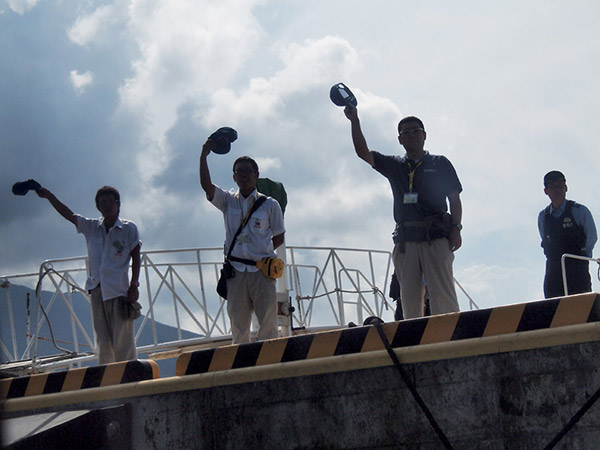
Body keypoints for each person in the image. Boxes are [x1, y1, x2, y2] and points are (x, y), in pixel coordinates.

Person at [344, 105, 462, 319]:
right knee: (409, 303)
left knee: (443, 298)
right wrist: (355, 121)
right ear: (400, 139)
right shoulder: (395, 165)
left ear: (424, 135)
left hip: (435, 238)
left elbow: (454, 198)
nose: (411, 136)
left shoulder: (440, 163)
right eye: (405, 133)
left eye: (416, 131)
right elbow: (363, 153)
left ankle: (450, 342)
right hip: (406, 242)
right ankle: (416, 347)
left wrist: (456, 228)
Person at [36, 185, 141, 364]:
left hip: (119, 290)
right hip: (97, 289)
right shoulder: (92, 227)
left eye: (111, 202)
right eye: (102, 203)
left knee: (123, 339)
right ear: (98, 207)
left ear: (118, 204)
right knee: (103, 339)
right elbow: (69, 214)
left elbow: (136, 256)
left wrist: (134, 284)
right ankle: (108, 379)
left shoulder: (128, 228)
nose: (107, 206)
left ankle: (128, 374)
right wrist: (49, 196)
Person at [200, 139, 286, 344]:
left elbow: (279, 235)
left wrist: (263, 252)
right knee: (238, 324)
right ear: (234, 176)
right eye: (239, 171)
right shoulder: (228, 201)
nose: (244, 174)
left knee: (268, 324)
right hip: (236, 271)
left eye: (248, 170)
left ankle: (270, 364)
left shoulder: (269, 205)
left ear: (256, 174)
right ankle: (241, 367)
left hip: (262, 271)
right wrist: (203, 156)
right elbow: (207, 187)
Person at [538, 170, 597, 298]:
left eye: (560, 185)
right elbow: (544, 238)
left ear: (566, 187)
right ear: (546, 191)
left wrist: (581, 258)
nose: (557, 190)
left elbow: (591, 238)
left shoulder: (579, 211)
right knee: (552, 310)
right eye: (552, 187)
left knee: (581, 309)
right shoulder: (543, 217)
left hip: (577, 269)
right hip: (554, 272)